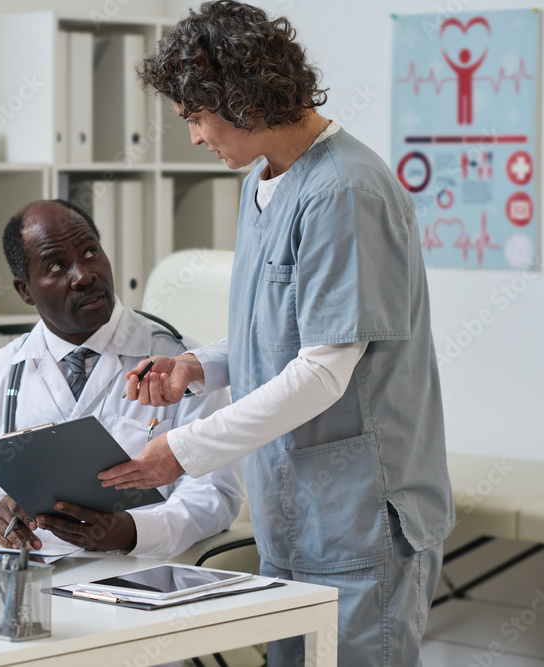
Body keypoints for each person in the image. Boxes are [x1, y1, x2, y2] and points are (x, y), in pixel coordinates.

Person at [99, 3, 453, 665]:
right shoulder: (263, 184)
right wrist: (197, 366)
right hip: (293, 520)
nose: (195, 137)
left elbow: (322, 370)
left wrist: (186, 449)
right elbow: (280, 333)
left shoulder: (345, 189)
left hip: (358, 522)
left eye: (195, 116)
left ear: (243, 98)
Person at [0, 199, 243, 560]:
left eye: (89, 252)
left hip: (139, 572)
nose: (83, 275)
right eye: (56, 265)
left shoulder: (181, 364)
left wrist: (133, 532)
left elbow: (216, 494)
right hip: (32, 573)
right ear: (25, 290)